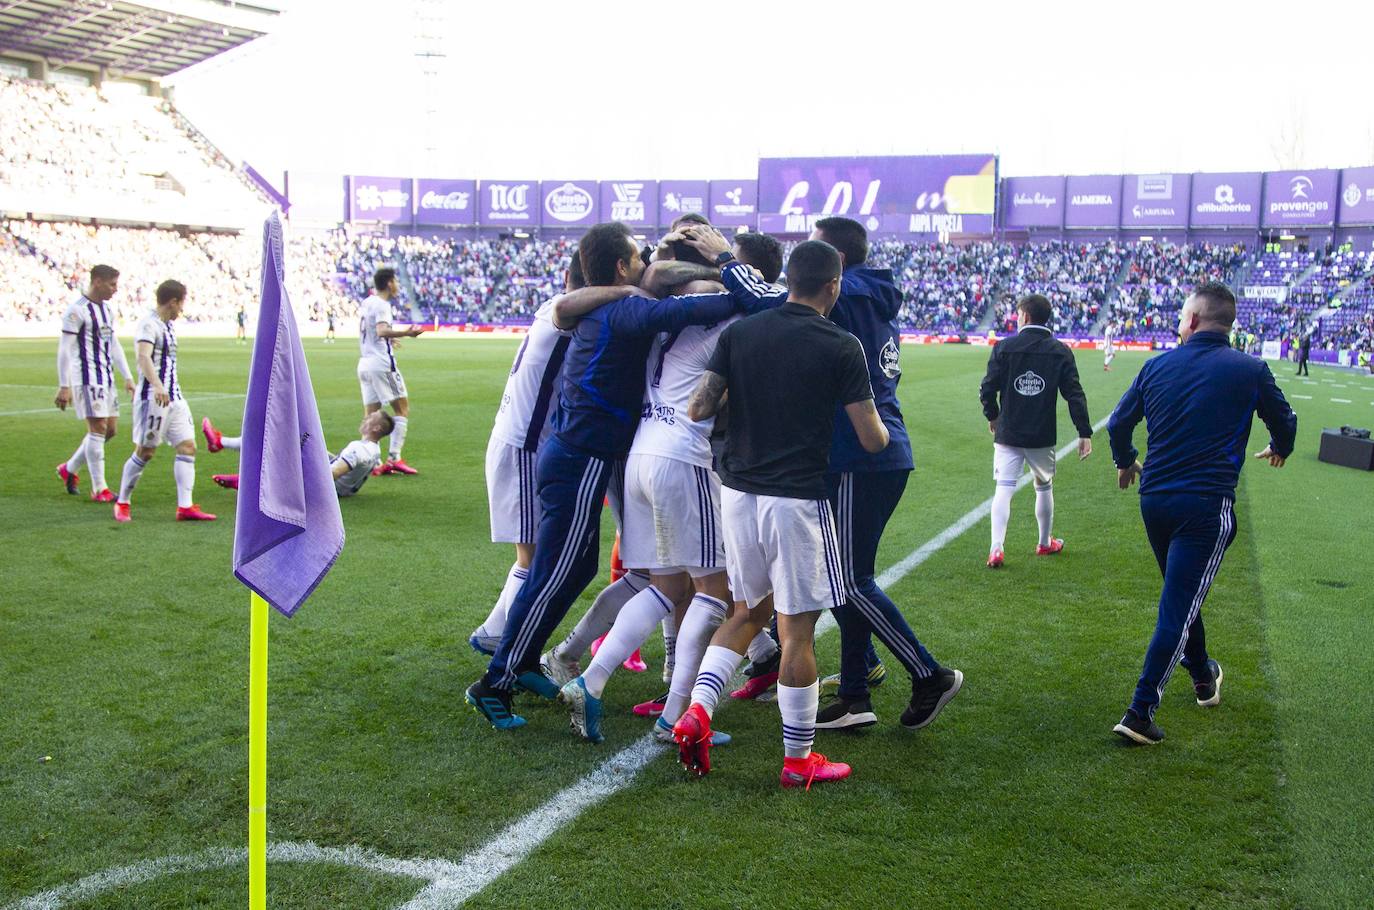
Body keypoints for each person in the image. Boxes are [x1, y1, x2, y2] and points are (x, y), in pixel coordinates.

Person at [464, 221, 756, 732]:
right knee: (554, 571)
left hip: (584, 453)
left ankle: (527, 660)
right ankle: (496, 680)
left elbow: (654, 280)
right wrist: (733, 272)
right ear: (621, 268)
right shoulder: (628, 308)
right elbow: (710, 306)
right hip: (580, 455)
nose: (647, 265)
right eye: (638, 259)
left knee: (575, 570)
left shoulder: (611, 302)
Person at [671, 239, 889, 789]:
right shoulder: (841, 344)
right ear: (833, 285)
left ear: (788, 279)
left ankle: (696, 712)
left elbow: (699, 407)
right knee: (796, 631)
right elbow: (872, 439)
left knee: (745, 612)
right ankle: (798, 760)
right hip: (796, 500)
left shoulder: (742, 332)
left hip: (738, 492)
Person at [556, 229, 788, 745]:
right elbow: (770, 300)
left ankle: (588, 681)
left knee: (668, 586)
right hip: (682, 456)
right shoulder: (725, 311)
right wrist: (726, 264)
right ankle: (674, 715)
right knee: (715, 590)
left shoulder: (659, 309)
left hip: (640, 451)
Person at [1107, 282, 1296, 745]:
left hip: (1155, 502)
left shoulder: (1156, 366)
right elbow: (1285, 421)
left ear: (1192, 320)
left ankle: (1204, 676)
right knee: (1179, 604)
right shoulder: (1250, 369)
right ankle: (1139, 711)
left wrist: (1126, 459)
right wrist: (1279, 448)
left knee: (1181, 595)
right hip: (1206, 506)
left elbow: (1117, 423)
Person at [797, 216, 962, 732]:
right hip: (875, 454)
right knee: (849, 576)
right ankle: (853, 694)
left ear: (835, 265)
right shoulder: (869, 296)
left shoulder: (845, 298)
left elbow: (780, 305)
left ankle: (928, 674)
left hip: (858, 455)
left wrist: (729, 264)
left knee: (848, 580)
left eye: (813, 254)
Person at [470, 254, 637, 656]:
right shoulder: (570, 315)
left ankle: (495, 632)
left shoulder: (549, 308)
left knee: (533, 553)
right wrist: (630, 290)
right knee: (534, 556)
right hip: (526, 444)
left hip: (517, 439)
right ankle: (504, 646)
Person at [978, 293, 1094, 569]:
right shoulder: (1060, 351)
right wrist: (1084, 431)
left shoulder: (1005, 347)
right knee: (1043, 487)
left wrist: (992, 416)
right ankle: (1044, 543)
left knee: (1003, 489)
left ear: (1025, 317)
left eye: (1018, 314)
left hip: (1008, 431)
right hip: (1041, 434)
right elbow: (1074, 394)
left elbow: (987, 388)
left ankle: (996, 547)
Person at [112, 280, 216, 522]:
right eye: (182, 303)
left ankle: (185, 507)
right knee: (145, 451)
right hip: (153, 398)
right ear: (173, 302)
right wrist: (157, 385)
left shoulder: (167, 325)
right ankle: (122, 502)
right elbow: (143, 356)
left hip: (174, 397)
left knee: (188, 446)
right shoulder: (149, 324)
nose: (182, 309)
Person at [54, 264, 135, 502]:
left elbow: (115, 345)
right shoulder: (76, 311)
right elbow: (65, 349)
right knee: (97, 429)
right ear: (97, 282)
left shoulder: (107, 310)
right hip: (87, 379)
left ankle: (68, 468)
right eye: (112, 284)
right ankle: (100, 488)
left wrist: (128, 377)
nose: (115, 290)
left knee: (110, 430)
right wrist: (64, 384)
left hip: (106, 378)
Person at [202, 411, 395, 499]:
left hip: (329, 487)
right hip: (341, 488)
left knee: (276, 443)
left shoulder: (358, 449)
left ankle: (247, 482)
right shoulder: (373, 448)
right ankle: (224, 449)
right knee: (296, 437)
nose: (365, 418)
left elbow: (332, 474)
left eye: (370, 418)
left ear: (376, 428)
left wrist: (296, 475)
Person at [358, 267, 426, 475]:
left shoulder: (367, 302)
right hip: (382, 365)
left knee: (371, 414)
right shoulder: (382, 305)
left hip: (365, 363)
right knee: (402, 408)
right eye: (395, 281)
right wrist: (407, 333)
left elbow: (372, 331)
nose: (397, 285)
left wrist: (390, 338)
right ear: (389, 283)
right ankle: (394, 458)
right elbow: (380, 330)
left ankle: (367, 460)